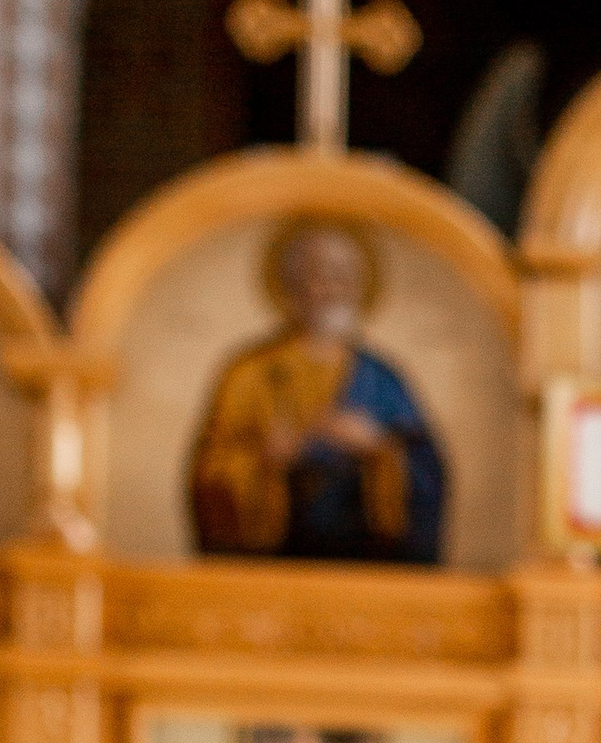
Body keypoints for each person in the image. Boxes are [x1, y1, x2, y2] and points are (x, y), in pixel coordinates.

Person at [188, 220, 447, 567]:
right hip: (272, 565)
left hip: (363, 569)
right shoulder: (248, 375)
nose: (331, 288)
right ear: (290, 284)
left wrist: (377, 449)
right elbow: (210, 475)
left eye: (343, 275)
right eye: (316, 273)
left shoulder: (382, 379)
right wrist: (264, 461)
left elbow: (427, 473)